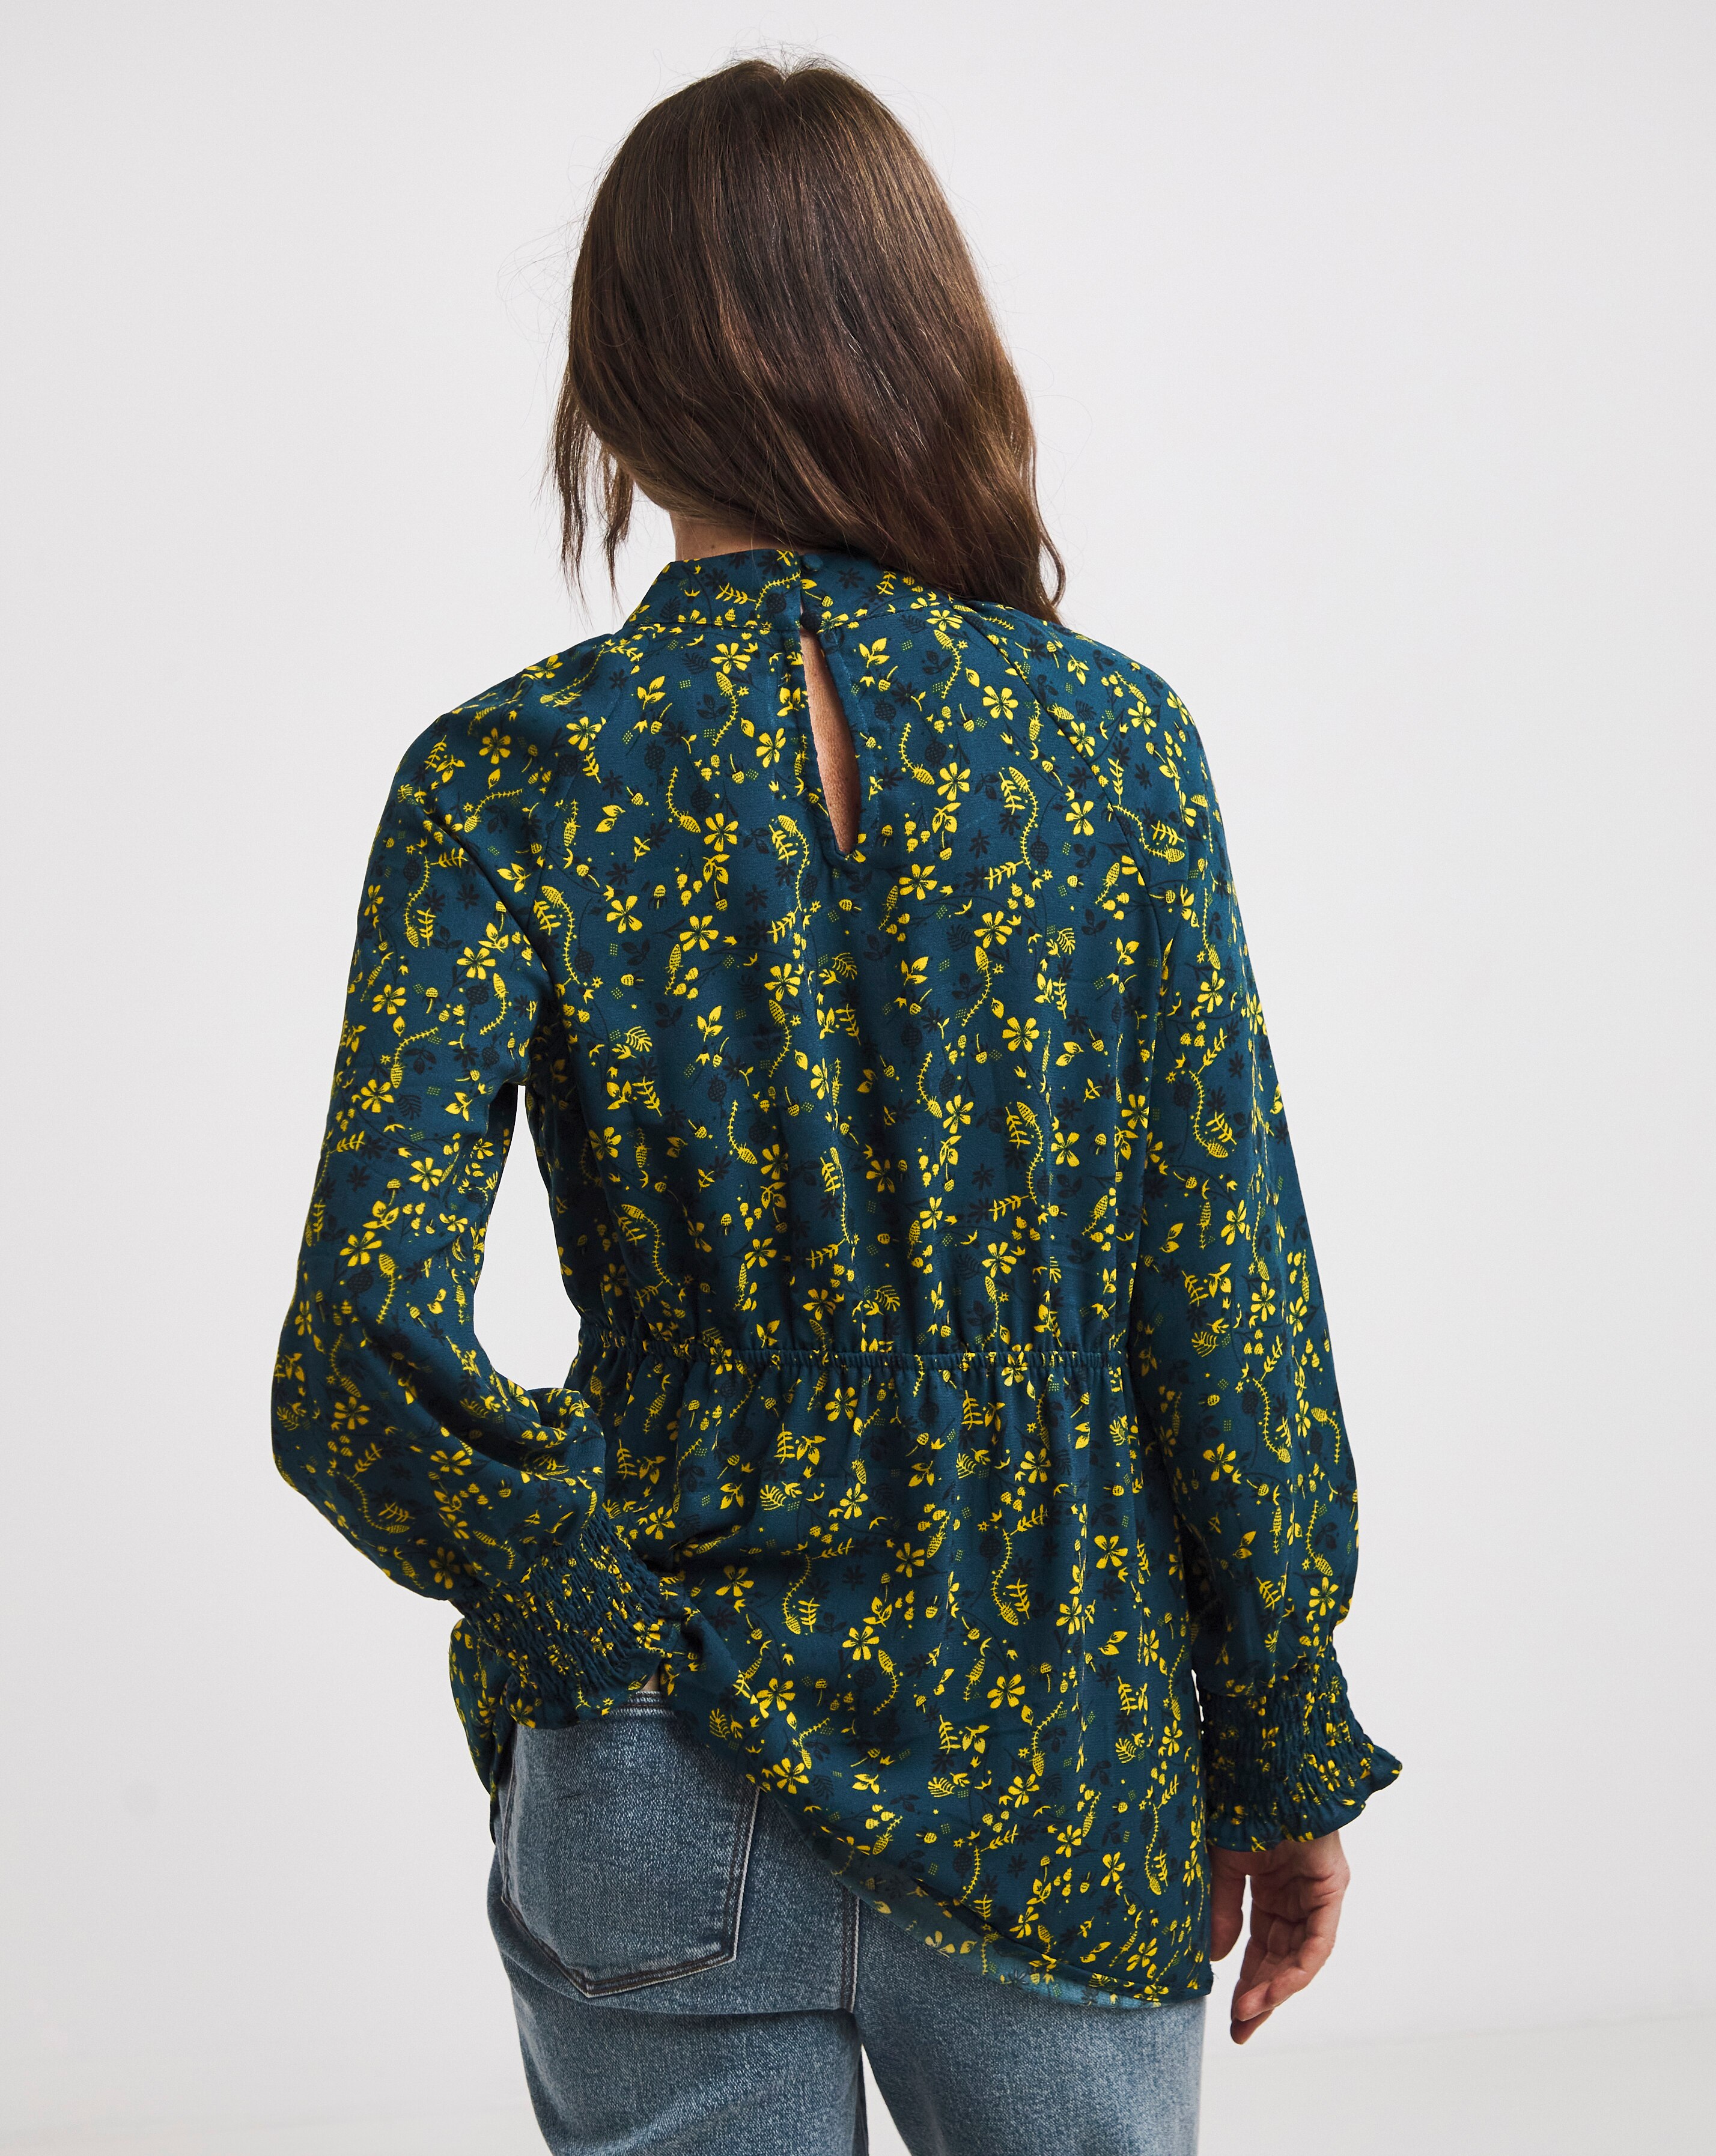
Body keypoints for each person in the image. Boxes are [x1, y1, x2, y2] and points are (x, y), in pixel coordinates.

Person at [272, 53, 1401, 2156]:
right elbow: (1225, 1311)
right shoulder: (1113, 752)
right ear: (923, 350)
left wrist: (606, 1647)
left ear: (618, 391)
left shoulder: (516, 773)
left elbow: (359, 1355)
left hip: (658, 1774)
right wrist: (1281, 1742)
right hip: (1064, 1751)